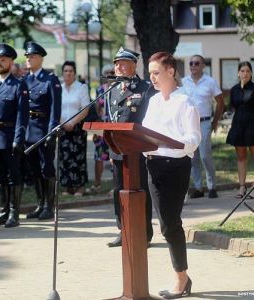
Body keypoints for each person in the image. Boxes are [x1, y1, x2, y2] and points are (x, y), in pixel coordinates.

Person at [143, 52, 201, 298]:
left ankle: (181, 277)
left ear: (170, 72)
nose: (153, 78)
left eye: (156, 73)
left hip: (175, 168)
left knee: (170, 224)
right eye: (150, 74)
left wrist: (168, 142)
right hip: (153, 166)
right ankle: (182, 276)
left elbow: (193, 140)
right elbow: (144, 131)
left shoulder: (185, 102)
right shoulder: (154, 101)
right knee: (165, 224)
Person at [106, 47, 155, 248]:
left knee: (141, 190)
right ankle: (123, 230)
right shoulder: (112, 90)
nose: (118, 66)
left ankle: (144, 233)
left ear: (133, 66)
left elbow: (150, 120)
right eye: (116, 63)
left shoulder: (145, 88)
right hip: (118, 150)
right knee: (119, 191)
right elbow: (108, 120)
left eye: (123, 63)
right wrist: (110, 149)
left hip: (138, 149)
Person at [0, 43, 29, 228]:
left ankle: (14, 213)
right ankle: (3, 211)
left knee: (13, 176)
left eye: (3, 60)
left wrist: (18, 139)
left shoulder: (18, 85)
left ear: (11, 62)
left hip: (10, 137)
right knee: (1, 177)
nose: (0, 62)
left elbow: (22, 115)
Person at [23, 41, 62, 220]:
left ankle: (49, 205)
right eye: (27, 57)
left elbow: (55, 109)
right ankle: (40, 204)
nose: (29, 59)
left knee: (47, 168)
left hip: (44, 129)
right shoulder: (25, 80)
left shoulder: (50, 80)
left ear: (40, 58)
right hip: (29, 131)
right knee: (34, 170)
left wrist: (51, 132)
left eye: (32, 56)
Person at [182, 55, 225, 199]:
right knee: (192, 157)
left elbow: (220, 102)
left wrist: (215, 121)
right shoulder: (184, 82)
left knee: (205, 156)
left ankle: (212, 186)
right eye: (191, 63)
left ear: (203, 66)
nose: (193, 65)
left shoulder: (210, 81)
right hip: (189, 124)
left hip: (205, 122)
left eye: (196, 63)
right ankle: (198, 187)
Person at [59, 61, 89, 196]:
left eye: (71, 71)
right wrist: (64, 123)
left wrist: (73, 123)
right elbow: (55, 109)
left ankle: (79, 187)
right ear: (62, 73)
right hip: (63, 127)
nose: (68, 73)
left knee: (78, 157)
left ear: (75, 73)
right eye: (65, 71)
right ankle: (67, 187)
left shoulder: (81, 87)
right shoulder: (58, 88)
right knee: (64, 157)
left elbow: (85, 108)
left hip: (77, 127)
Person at [226, 61, 254, 198]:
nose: (245, 73)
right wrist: (241, 88)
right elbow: (235, 106)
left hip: (253, 125)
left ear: (251, 73)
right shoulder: (234, 89)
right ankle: (242, 187)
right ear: (238, 73)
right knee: (241, 158)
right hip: (239, 125)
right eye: (242, 71)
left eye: (248, 71)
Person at [86, 64, 113, 194]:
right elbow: (97, 108)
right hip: (102, 125)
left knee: (114, 155)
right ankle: (97, 184)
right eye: (106, 72)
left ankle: (116, 185)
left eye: (111, 72)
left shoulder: (118, 89)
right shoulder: (100, 90)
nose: (109, 75)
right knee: (99, 156)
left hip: (114, 127)